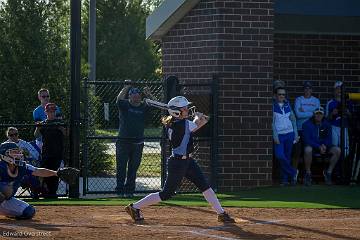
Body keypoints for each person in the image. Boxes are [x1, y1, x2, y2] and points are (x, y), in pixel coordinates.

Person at [125, 96, 235, 223]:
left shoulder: (175, 122)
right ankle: (134, 207)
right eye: (184, 108)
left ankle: (221, 213)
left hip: (188, 162)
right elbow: (201, 122)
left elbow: (196, 124)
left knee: (204, 186)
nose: (187, 110)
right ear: (176, 112)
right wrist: (200, 117)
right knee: (166, 194)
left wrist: (199, 119)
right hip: (178, 163)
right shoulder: (182, 124)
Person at [0, 142, 59, 219]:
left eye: (18, 152)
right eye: (14, 152)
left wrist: (56, 173)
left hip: (6, 200)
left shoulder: (22, 167)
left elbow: (38, 171)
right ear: (4, 155)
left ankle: (7, 212)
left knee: (29, 211)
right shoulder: (1, 167)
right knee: (4, 189)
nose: (18, 154)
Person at [115, 81, 153, 198]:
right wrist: (126, 87)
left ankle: (130, 191)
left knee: (133, 169)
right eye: (133, 95)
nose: (136, 98)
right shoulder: (125, 105)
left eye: (138, 96)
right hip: (123, 142)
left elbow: (156, 104)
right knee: (121, 167)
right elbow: (118, 99)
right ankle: (120, 191)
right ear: (130, 96)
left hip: (138, 143)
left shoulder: (143, 106)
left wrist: (149, 94)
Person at [34, 103, 67, 198]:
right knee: (45, 171)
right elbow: (36, 135)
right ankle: (45, 191)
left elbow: (67, 134)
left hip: (57, 152)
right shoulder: (43, 123)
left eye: (53, 111)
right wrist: (38, 127)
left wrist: (62, 129)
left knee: (55, 172)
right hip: (46, 152)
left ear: (55, 112)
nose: (51, 113)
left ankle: (52, 192)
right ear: (45, 112)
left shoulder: (60, 122)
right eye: (49, 111)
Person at [302, 107, 341, 186]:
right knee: (307, 150)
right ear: (314, 114)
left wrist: (325, 146)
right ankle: (308, 174)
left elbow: (329, 139)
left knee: (337, 150)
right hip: (313, 146)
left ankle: (328, 173)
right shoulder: (306, 124)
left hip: (324, 147)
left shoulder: (327, 124)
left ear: (323, 115)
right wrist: (319, 146)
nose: (319, 116)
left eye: (320, 114)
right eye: (317, 114)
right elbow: (307, 140)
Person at [272, 87, 299, 186]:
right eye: (279, 94)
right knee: (280, 155)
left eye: (283, 94)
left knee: (287, 157)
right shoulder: (272, 106)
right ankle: (293, 172)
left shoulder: (288, 105)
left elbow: (293, 120)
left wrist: (296, 134)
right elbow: (272, 123)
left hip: (290, 134)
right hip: (279, 135)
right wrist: (275, 136)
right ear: (275, 96)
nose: (282, 96)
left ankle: (285, 180)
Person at [292, 81, 320, 170]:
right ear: (303, 90)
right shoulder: (298, 99)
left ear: (312, 90)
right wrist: (312, 112)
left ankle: (307, 173)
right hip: (300, 129)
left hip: (312, 130)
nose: (307, 90)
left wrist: (304, 110)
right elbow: (298, 115)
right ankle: (294, 174)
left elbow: (318, 115)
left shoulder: (316, 100)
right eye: (305, 88)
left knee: (309, 150)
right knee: (297, 151)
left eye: (309, 88)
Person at [325, 81, 353, 157]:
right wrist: (332, 113)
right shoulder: (330, 103)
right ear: (334, 91)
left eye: (341, 88)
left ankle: (343, 168)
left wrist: (347, 112)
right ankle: (335, 168)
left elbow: (352, 118)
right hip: (334, 127)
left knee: (345, 150)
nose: (339, 90)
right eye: (337, 89)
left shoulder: (348, 102)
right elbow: (326, 119)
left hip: (344, 127)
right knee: (335, 148)